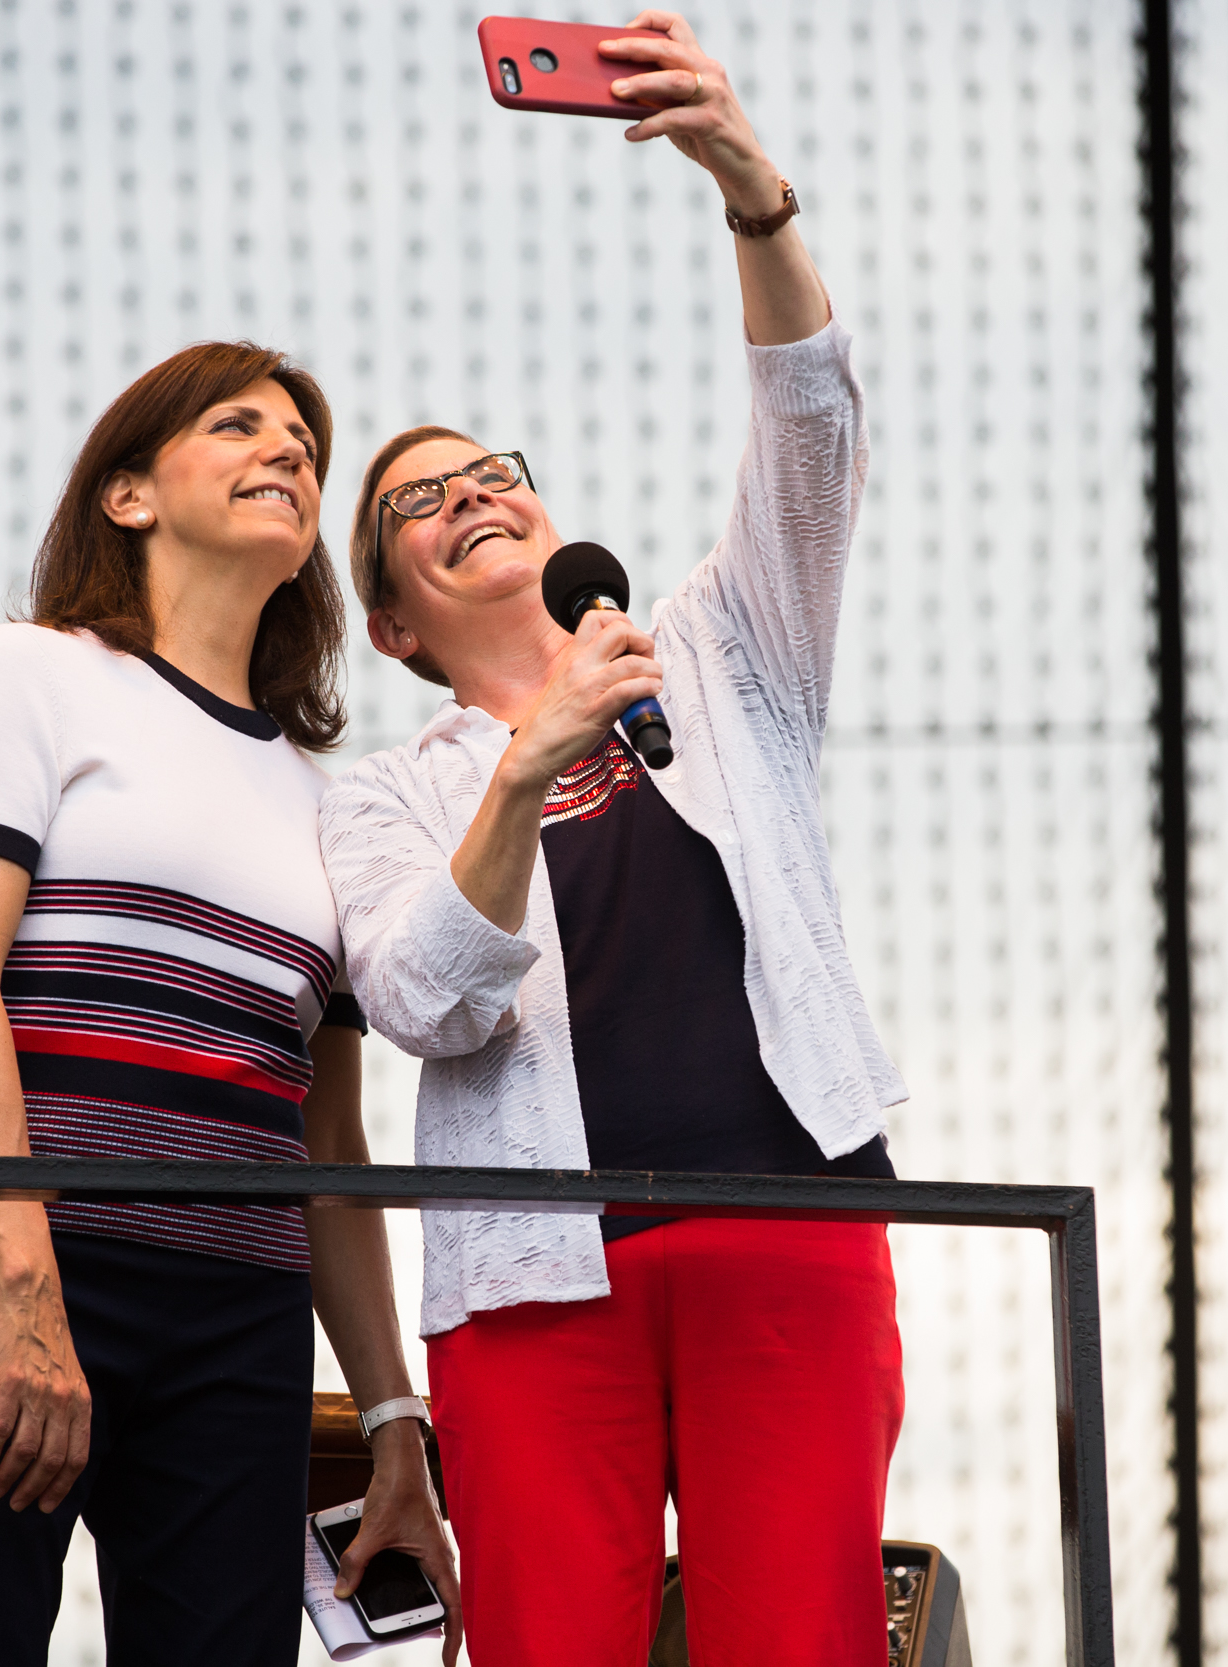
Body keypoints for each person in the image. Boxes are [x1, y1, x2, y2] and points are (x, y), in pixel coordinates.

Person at [318, 15, 903, 1664]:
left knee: (802, 1637)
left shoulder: (720, 650)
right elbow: (431, 1005)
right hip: (531, 1285)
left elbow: (814, 438)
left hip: (784, 1225)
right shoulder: (383, 797)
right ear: (394, 625)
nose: (474, 493)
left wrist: (749, 186)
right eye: (423, 503)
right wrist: (529, 767)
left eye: (493, 469)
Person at [0, 341, 458, 1665]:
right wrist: (26, 1294)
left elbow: (332, 1145)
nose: (289, 451)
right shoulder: (29, 674)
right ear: (128, 493)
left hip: (238, 1313)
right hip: (2, 1262)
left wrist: (390, 1422)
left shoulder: (332, 799)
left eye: (304, 441)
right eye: (239, 426)